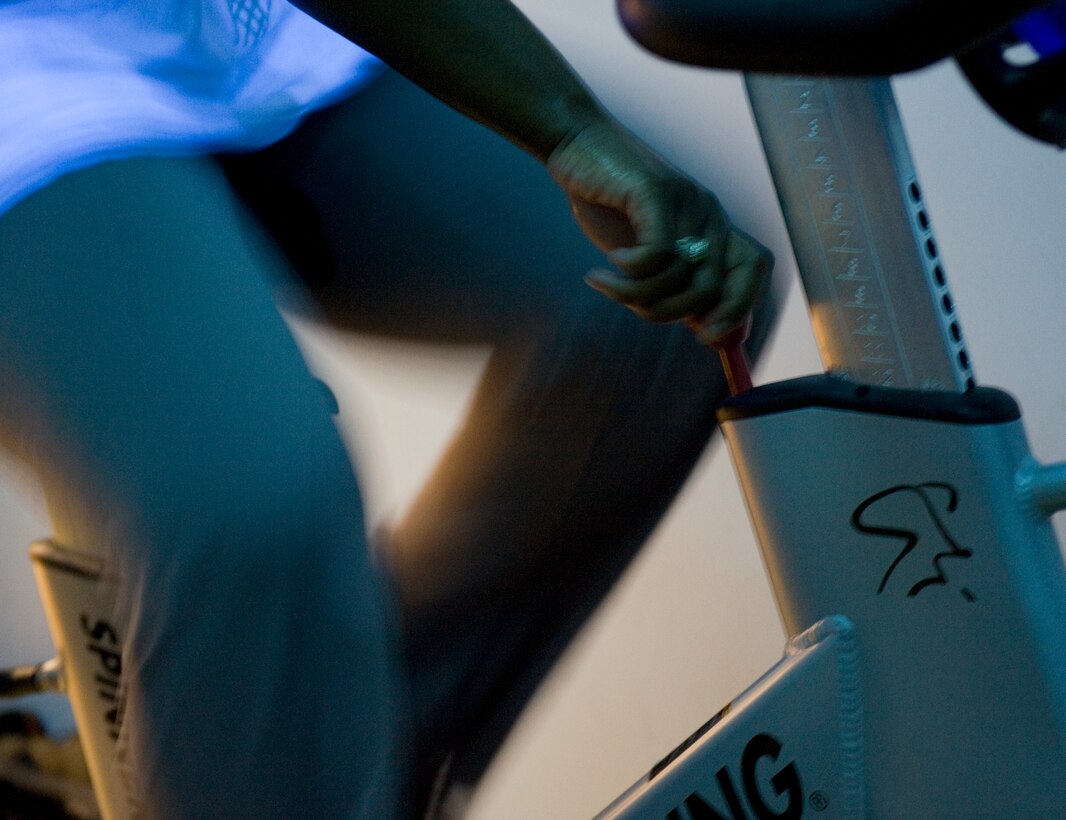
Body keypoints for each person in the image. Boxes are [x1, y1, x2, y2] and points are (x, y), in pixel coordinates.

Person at [0, 0, 775, 817]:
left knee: (663, 311)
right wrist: (565, 124)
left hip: (233, 36)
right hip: (25, 86)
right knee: (255, 501)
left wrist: (573, 127)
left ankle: (270, 762)